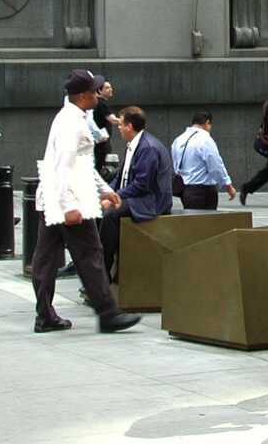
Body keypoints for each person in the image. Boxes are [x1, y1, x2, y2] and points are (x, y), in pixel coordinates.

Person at [31, 69, 141, 334]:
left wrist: (103, 189)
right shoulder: (72, 122)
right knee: (90, 253)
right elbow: (65, 165)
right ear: (82, 95)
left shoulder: (71, 117)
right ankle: (107, 314)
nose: (98, 94)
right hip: (68, 198)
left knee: (46, 258)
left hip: (54, 197)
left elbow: (81, 164)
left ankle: (45, 315)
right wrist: (69, 206)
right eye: (94, 90)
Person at [98, 106, 173, 281]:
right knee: (97, 212)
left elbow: (142, 185)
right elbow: (121, 175)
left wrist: (115, 199)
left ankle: (102, 274)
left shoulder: (147, 148)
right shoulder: (133, 145)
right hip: (135, 196)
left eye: (121, 124)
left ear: (129, 126)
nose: (119, 127)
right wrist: (108, 193)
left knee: (110, 215)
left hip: (150, 201)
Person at [171, 111, 236, 209]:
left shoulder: (178, 140)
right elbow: (216, 165)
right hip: (203, 190)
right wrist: (228, 186)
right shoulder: (205, 140)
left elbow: (176, 165)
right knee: (206, 222)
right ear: (207, 123)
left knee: (191, 221)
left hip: (185, 189)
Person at [93, 80, 120, 173]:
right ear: (100, 91)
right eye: (107, 88)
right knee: (102, 168)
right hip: (101, 142)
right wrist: (129, 123)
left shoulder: (99, 103)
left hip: (99, 141)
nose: (110, 89)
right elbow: (113, 120)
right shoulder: (101, 104)